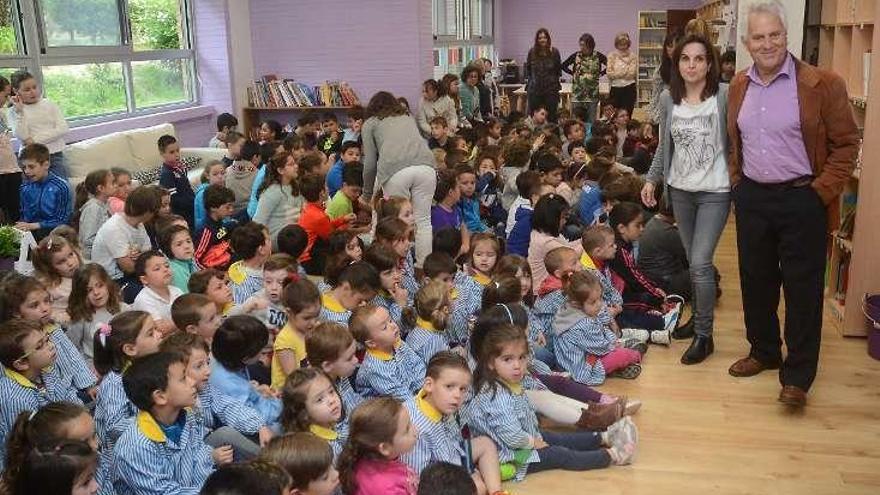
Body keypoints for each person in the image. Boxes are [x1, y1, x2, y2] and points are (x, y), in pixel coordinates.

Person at [726, 0, 858, 407]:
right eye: (759, 37)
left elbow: (846, 145)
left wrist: (818, 193)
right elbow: (735, 141)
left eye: (775, 35)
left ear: (787, 36)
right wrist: (738, 185)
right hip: (753, 198)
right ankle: (764, 350)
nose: (767, 44)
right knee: (756, 280)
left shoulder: (823, 84)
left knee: (802, 289)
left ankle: (798, 375)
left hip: (803, 197)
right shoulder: (738, 85)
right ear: (747, 42)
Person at [640, 33, 730, 365]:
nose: (691, 65)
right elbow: (665, 146)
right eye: (685, 59)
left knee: (702, 262)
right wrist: (652, 178)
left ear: (709, 64)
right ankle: (697, 321)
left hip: (715, 193)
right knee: (693, 262)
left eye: (699, 59)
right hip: (680, 191)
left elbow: (736, 141)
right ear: (676, 63)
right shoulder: (668, 98)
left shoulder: (724, 95)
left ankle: (705, 336)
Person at [112, 352, 221, 494]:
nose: (193, 382)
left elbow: (199, 462)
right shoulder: (137, 446)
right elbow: (165, 492)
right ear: (160, 396)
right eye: (183, 379)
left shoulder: (188, 415)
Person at [361, 91, 437, 266]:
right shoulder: (407, 115)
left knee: (393, 223)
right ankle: (422, 269)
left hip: (395, 171)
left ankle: (390, 266)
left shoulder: (370, 123)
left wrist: (366, 195)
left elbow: (370, 163)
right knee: (423, 221)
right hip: (427, 166)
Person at [91, 185, 161, 304]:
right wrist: (142, 260)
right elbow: (128, 267)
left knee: (163, 282)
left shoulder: (139, 224)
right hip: (113, 280)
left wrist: (141, 260)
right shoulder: (114, 228)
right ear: (148, 212)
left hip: (134, 274)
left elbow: (148, 254)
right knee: (148, 297)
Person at [337, 397, 419, 495]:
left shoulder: (374, 455)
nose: (415, 429)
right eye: (407, 429)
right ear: (384, 448)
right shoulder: (386, 490)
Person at [7, 70, 69, 179]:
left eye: (34, 87)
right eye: (27, 90)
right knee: (34, 192)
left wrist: (34, 141)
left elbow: (63, 129)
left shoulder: (49, 104)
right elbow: (22, 136)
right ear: (16, 91)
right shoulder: (13, 111)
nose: (33, 92)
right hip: (30, 159)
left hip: (54, 155)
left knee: (60, 189)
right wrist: (20, 112)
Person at [16, 143, 71, 242]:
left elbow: (62, 220)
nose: (27, 171)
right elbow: (24, 216)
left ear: (46, 165)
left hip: (56, 235)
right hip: (31, 234)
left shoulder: (61, 186)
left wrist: (34, 226)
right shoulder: (25, 187)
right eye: (24, 167)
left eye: (31, 167)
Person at [253, 151, 305, 250]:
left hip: (294, 236)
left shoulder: (295, 185)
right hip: (279, 241)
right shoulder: (272, 192)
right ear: (281, 170)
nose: (296, 166)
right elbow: (258, 222)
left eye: (295, 163)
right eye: (291, 164)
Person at [562, 33, 607, 127]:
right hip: (578, 95)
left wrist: (601, 73)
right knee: (576, 122)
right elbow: (563, 66)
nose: (581, 47)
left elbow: (610, 65)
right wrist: (573, 74)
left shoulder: (598, 55)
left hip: (592, 95)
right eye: (580, 45)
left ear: (590, 45)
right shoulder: (576, 55)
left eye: (584, 45)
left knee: (590, 122)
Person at [524, 28, 562, 122]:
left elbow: (558, 70)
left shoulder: (554, 52)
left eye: (544, 37)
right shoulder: (532, 52)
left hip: (551, 90)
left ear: (548, 39)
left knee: (552, 117)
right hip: (535, 90)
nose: (542, 40)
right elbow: (528, 69)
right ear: (537, 40)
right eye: (540, 38)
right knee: (535, 117)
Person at [649, 31, 683, 125]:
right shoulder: (661, 70)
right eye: (670, 45)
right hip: (664, 117)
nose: (673, 49)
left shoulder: (689, 69)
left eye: (677, 45)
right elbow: (655, 97)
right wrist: (651, 119)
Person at [607, 32, 638, 117]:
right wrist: (624, 71)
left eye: (625, 44)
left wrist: (617, 73)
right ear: (616, 45)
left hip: (629, 88)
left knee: (627, 115)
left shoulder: (633, 56)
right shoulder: (611, 56)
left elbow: (631, 74)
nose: (623, 47)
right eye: (621, 44)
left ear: (628, 44)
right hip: (615, 89)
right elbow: (609, 73)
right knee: (614, 115)